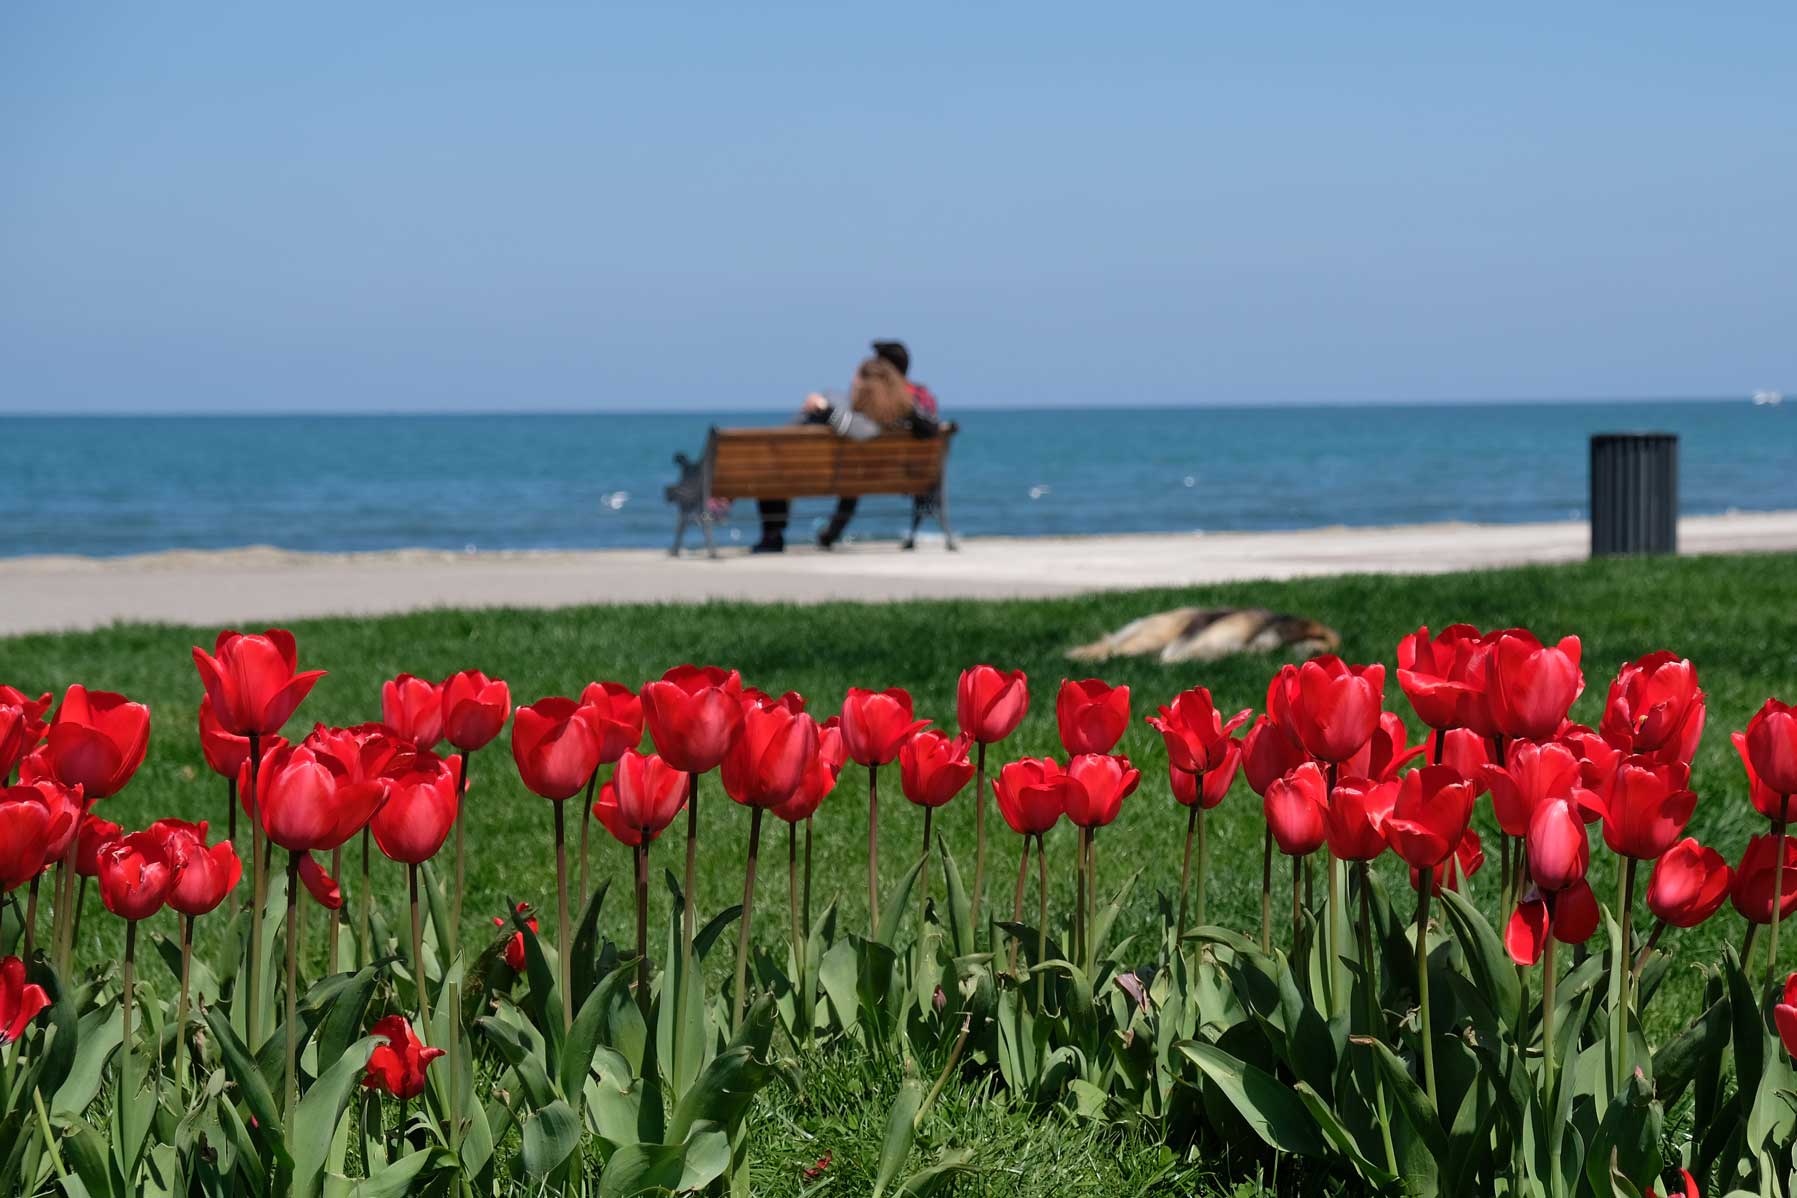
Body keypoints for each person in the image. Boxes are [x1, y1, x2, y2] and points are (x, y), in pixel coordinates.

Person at [753, 340, 941, 553]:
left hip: (825, 474)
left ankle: (773, 535)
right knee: (850, 477)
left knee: (772, 471)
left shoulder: (848, 413)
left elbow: (860, 431)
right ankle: (827, 535)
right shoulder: (903, 412)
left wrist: (823, 409)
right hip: (875, 474)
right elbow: (930, 428)